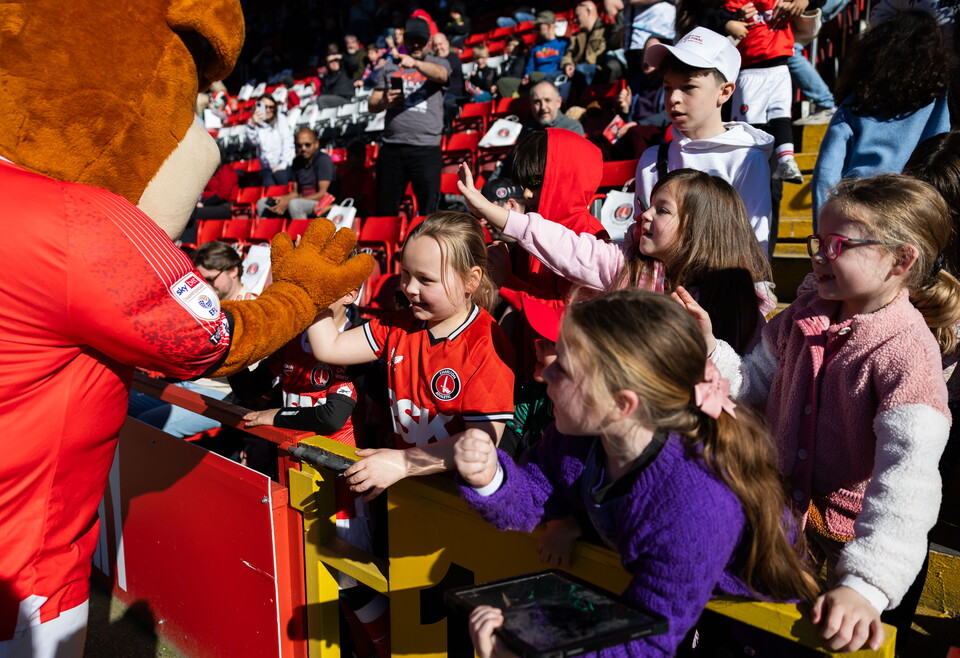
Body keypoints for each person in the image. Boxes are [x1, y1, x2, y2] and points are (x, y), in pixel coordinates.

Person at [456, 289, 819, 657]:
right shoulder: (578, 441)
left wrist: (525, 651)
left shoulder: (696, 497)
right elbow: (535, 491)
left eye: (562, 368)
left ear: (621, 404)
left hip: (753, 630)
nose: (544, 374)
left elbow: (647, 638)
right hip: (680, 605)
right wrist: (490, 478)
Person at [686, 174, 959, 651]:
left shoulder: (909, 352)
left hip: (848, 550)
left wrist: (865, 583)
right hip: (781, 526)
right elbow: (754, 382)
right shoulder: (802, 316)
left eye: (837, 245)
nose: (818, 256)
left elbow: (907, 481)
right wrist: (710, 346)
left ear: (901, 259)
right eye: (817, 242)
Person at [307, 212, 515, 501]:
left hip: (461, 504)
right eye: (406, 273)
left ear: (471, 280)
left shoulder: (487, 343)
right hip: (406, 488)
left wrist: (403, 463)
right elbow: (330, 347)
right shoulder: (400, 323)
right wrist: (311, 290)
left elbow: (483, 441)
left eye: (426, 279)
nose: (410, 288)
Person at [461, 165, 773, 355]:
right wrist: (491, 211)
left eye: (662, 210)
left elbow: (748, 382)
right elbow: (567, 247)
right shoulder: (627, 265)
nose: (645, 215)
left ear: (698, 230)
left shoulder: (740, 300)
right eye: (649, 205)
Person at [637, 27, 774, 254]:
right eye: (668, 87)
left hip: (721, 285)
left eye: (689, 87)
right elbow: (640, 234)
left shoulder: (747, 158)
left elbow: (755, 243)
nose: (674, 98)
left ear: (725, 92)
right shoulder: (652, 159)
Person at [811, 10, 952, 224]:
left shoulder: (855, 103)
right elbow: (939, 156)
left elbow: (826, 172)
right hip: (912, 208)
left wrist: (823, 229)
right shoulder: (937, 101)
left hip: (857, 206)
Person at [127, 242, 255, 438]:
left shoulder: (251, 305)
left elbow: (252, 368)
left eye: (211, 279)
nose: (206, 286)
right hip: (188, 384)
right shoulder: (207, 301)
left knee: (149, 425)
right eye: (202, 280)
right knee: (123, 404)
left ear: (233, 271)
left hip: (221, 393)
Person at [370, 17, 450, 216]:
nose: (416, 45)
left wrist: (414, 63)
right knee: (385, 206)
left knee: (429, 208)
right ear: (404, 41)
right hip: (392, 147)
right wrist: (385, 101)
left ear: (428, 41)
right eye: (412, 40)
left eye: (420, 40)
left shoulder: (438, 62)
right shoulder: (389, 67)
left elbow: (442, 75)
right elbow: (372, 104)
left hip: (425, 147)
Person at [724, 0, 804, 183]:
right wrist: (731, 20)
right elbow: (713, 16)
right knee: (752, 125)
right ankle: (747, 167)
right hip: (750, 70)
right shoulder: (735, 3)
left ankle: (786, 161)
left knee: (781, 115)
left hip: (780, 65)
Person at [256, 127, 335, 219]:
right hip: (301, 200)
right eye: (299, 145)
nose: (303, 148)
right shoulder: (297, 162)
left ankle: (302, 233)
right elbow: (295, 192)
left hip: (322, 203)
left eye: (307, 145)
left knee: (294, 205)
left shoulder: (323, 160)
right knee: (263, 203)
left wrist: (289, 201)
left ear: (316, 144)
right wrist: (283, 199)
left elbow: (322, 194)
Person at [246, 93, 295, 187]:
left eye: (271, 107)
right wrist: (252, 124)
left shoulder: (281, 119)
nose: (268, 110)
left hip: (284, 165)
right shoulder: (255, 122)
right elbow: (252, 141)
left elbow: (287, 143)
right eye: (265, 107)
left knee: (279, 176)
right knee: (268, 184)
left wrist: (282, 165)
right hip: (267, 169)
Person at [561, 1, 613, 88]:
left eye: (577, 16)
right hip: (577, 70)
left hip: (596, 69)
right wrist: (568, 64)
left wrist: (579, 65)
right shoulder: (577, 36)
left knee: (580, 70)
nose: (575, 20)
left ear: (588, 12)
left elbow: (601, 53)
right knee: (551, 77)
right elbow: (568, 54)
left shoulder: (606, 30)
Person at [518, 80, 585, 140]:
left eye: (548, 100)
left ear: (558, 102)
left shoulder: (572, 128)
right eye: (537, 102)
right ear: (531, 105)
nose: (543, 107)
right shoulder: (527, 129)